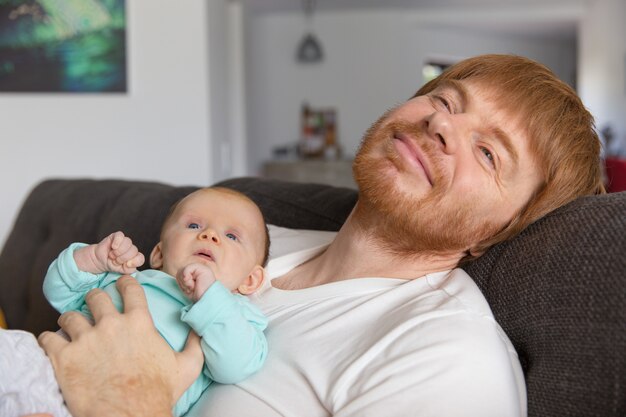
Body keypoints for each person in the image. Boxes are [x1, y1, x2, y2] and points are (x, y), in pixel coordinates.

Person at [38, 54, 604, 417]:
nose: (442, 125)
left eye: (487, 153)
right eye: (445, 100)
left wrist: (124, 402)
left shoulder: (448, 360)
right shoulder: (251, 237)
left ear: (502, 229)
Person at [3, 187, 271, 417]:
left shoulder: (236, 315)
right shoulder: (129, 277)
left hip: (105, 405)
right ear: (158, 254)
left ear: (250, 280)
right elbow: (58, 289)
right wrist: (93, 259)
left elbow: (234, 365)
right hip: (41, 361)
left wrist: (211, 295)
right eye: (194, 225)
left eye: (232, 236)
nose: (210, 235)